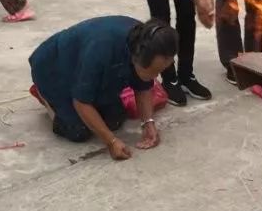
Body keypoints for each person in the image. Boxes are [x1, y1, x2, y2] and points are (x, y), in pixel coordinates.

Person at [29, 17, 177, 156]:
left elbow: (143, 86)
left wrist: (148, 123)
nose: (156, 77)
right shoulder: (100, 50)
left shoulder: (147, 43)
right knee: (78, 131)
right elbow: (81, 102)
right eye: (154, 72)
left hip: (88, 66)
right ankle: (44, 95)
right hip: (53, 70)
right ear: (136, 59)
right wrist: (111, 142)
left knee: (114, 120)